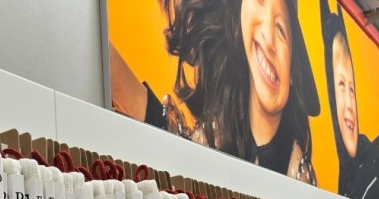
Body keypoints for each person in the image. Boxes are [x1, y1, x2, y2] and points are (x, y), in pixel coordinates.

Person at [109, 0, 321, 184]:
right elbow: (174, 149)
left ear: (293, 74)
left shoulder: (295, 168)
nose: (268, 39)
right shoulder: (218, 134)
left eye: (281, 30)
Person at [320, 0, 379, 199]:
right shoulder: (340, 174)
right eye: (341, 85)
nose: (350, 103)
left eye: (352, 89)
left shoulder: (376, 166)